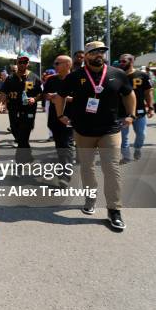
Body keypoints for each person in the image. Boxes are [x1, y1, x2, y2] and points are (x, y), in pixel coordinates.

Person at [54, 41, 136, 230]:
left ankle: (114, 210)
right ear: (86, 56)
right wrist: (61, 115)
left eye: (102, 51)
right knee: (87, 168)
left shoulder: (117, 74)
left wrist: (131, 115)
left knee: (111, 168)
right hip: (83, 130)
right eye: (95, 52)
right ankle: (90, 198)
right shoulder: (76, 76)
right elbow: (60, 96)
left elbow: (129, 94)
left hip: (110, 129)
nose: (99, 54)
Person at [0, 55, 42, 161]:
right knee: (16, 132)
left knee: (23, 135)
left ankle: (19, 164)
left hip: (29, 111)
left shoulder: (34, 77)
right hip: (13, 110)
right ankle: (27, 153)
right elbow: (4, 92)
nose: (22, 64)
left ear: (28, 64)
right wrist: (0, 104)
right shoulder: (10, 78)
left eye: (25, 62)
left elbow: (41, 94)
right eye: (20, 62)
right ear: (17, 63)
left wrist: (34, 99)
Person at [43, 56, 74, 188]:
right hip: (54, 119)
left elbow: (80, 98)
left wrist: (63, 99)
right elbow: (44, 94)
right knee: (60, 146)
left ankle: (65, 176)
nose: (55, 66)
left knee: (65, 146)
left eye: (57, 63)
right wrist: (49, 96)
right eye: (54, 63)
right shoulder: (51, 80)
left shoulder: (76, 79)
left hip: (69, 118)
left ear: (68, 65)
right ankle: (64, 169)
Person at [118, 54, 154, 162]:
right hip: (121, 112)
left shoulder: (143, 75)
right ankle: (126, 156)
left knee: (141, 134)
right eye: (120, 61)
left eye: (124, 61)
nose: (121, 63)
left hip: (139, 111)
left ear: (131, 61)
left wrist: (150, 107)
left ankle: (137, 148)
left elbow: (148, 93)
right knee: (123, 137)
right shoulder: (117, 75)